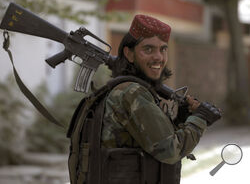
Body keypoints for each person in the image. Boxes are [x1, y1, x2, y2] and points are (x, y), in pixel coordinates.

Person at [68, 14, 221, 184]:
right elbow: (170, 150)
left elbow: (149, 140)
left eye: (163, 49)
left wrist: (182, 118)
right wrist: (200, 119)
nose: (158, 57)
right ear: (129, 54)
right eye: (148, 49)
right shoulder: (132, 93)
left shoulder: (121, 89)